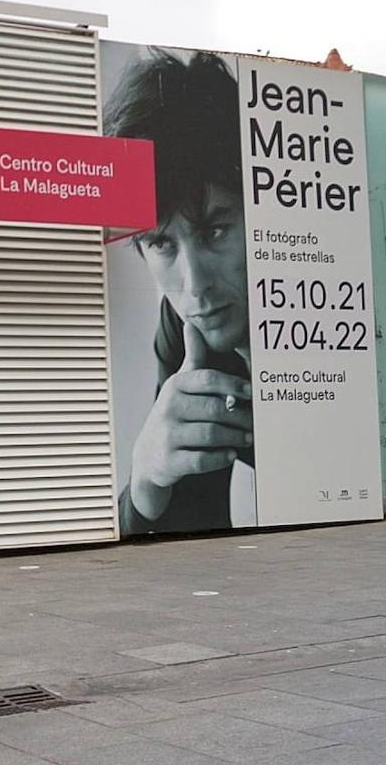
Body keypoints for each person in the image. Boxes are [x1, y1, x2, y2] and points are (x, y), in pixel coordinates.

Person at [104, 50, 255, 534]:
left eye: (214, 231)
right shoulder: (184, 327)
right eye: (162, 243)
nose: (195, 285)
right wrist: (147, 482)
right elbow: (196, 530)